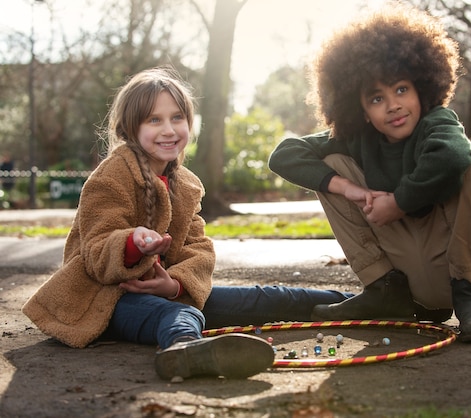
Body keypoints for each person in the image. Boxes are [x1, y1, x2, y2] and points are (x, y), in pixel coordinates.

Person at [22, 67, 351, 381]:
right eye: (154, 120)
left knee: (262, 299)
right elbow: (95, 250)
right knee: (180, 316)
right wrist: (132, 244)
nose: (169, 129)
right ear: (129, 129)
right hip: (106, 301)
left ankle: (346, 301)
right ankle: (185, 348)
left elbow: (199, 248)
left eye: (177, 117)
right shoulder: (110, 178)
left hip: (170, 293)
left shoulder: (187, 184)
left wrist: (176, 286)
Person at [268, 4, 471, 343]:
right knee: (332, 167)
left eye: (401, 89)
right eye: (377, 98)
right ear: (360, 109)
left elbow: (452, 155)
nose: (393, 105)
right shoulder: (359, 138)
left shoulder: (437, 122)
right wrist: (349, 188)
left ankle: (469, 295)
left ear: (422, 88)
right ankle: (385, 289)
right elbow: (285, 154)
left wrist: (399, 203)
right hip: (411, 273)